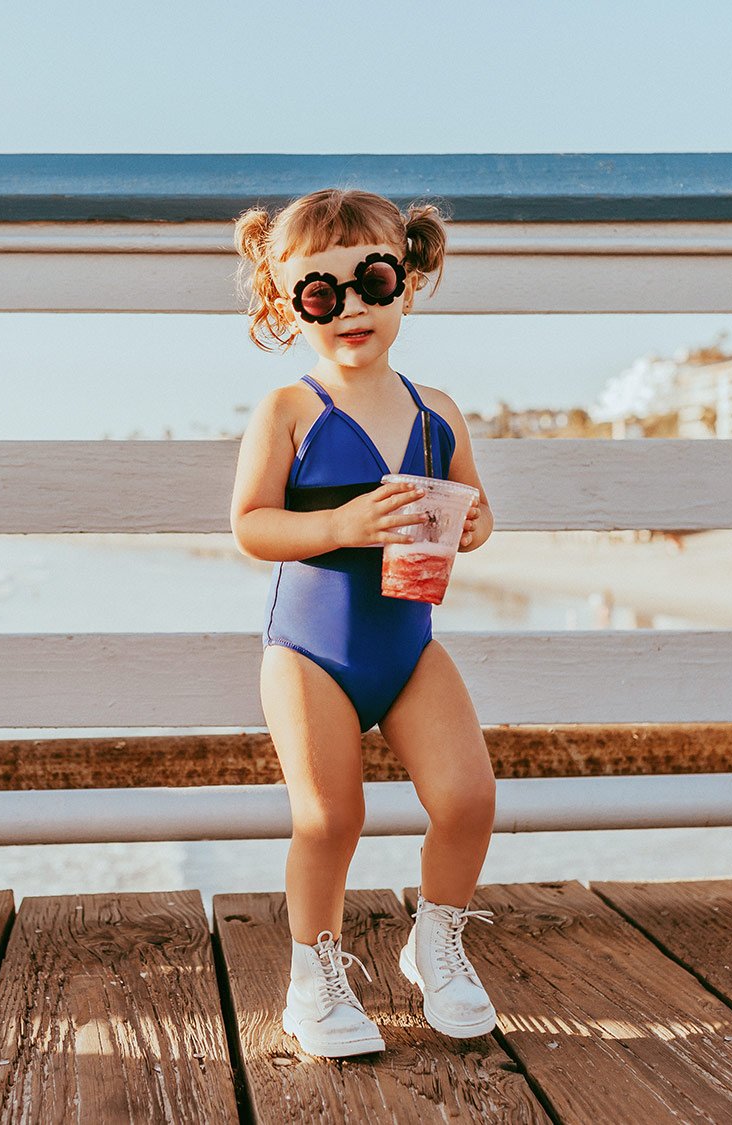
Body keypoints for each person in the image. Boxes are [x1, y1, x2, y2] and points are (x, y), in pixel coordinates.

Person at [230, 188, 497, 1058]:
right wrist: (341, 526)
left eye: (372, 279)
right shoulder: (290, 412)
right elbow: (251, 525)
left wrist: (473, 523)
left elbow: (475, 508)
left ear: (406, 283)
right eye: (320, 293)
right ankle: (315, 974)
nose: (350, 307)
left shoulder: (437, 410)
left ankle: (437, 942)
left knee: (468, 797)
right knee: (328, 818)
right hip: (311, 653)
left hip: (408, 645)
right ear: (285, 302)